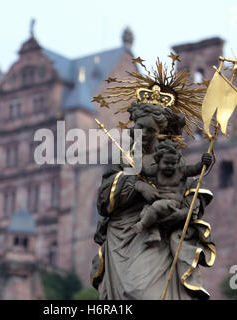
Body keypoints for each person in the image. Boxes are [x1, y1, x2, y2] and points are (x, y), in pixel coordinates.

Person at [90, 102, 216, 300]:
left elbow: (191, 188)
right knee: (128, 293)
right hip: (124, 234)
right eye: (139, 127)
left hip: (160, 236)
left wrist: (183, 212)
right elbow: (104, 200)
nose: (143, 133)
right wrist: (139, 187)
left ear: (160, 131)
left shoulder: (170, 159)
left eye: (150, 129)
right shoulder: (124, 158)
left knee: (142, 292)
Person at [131, 139, 213, 245]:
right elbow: (144, 171)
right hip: (159, 201)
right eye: (166, 163)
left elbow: (196, 169)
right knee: (145, 211)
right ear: (158, 161)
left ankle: (141, 225)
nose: (169, 166)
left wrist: (204, 162)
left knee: (155, 207)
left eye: (173, 163)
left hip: (172, 204)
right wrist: (137, 157)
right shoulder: (157, 170)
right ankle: (154, 234)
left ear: (178, 162)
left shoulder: (181, 171)